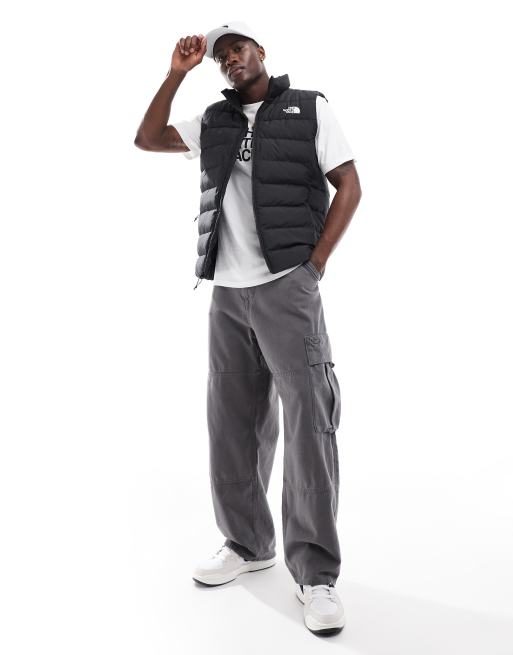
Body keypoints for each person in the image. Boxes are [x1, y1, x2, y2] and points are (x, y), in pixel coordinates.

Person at [134, 21, 362, 636]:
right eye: (222, 57)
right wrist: (176, 74)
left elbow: (349, 184)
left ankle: (316, 574)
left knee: (309, 423)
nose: (231, 59)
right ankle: (247, 543)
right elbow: (147, 138)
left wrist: (315, 266)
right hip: (228, 295)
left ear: (261, 51)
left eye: (239, 48)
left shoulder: (308, 108)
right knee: (232, 424)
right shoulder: (214, 120)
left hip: (288, 285)